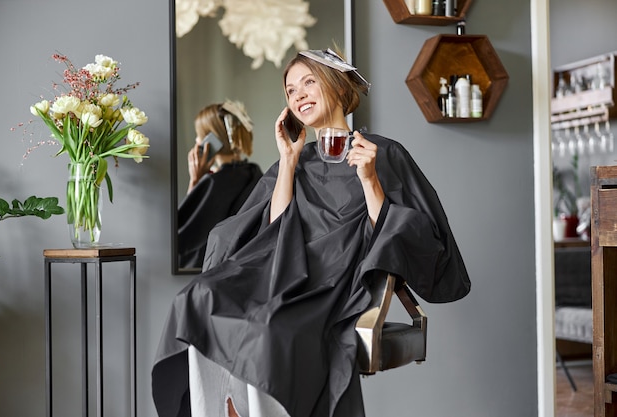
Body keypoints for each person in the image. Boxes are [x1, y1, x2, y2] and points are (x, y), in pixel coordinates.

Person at [153, 48, 471, 417]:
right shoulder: (293, 159)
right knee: (196, 297)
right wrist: (288, 162)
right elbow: (271, 234)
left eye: (308, 82)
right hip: (280, 276)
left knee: (267, 332)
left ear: (336, 87)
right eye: (290, 90)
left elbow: (401, 236)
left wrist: (369, 179)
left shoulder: (383, 153)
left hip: (334, 286)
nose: (298, 95)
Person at [178, 101, 263, 269]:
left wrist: (195, 182)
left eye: (199, 135)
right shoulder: (255, 173)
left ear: (211, 140)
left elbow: (182, 242)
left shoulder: (214, 183)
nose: (196, 140)